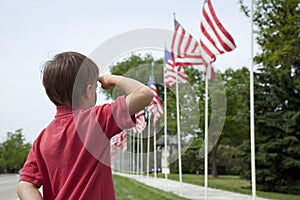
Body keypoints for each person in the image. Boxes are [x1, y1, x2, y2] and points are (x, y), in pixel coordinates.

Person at [17, 51, 154, 199]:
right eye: (95, 86)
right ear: (88, 91)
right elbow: (144, 94)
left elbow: (25, 185)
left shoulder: (42, 139)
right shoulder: (95, 120)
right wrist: (112, 79)